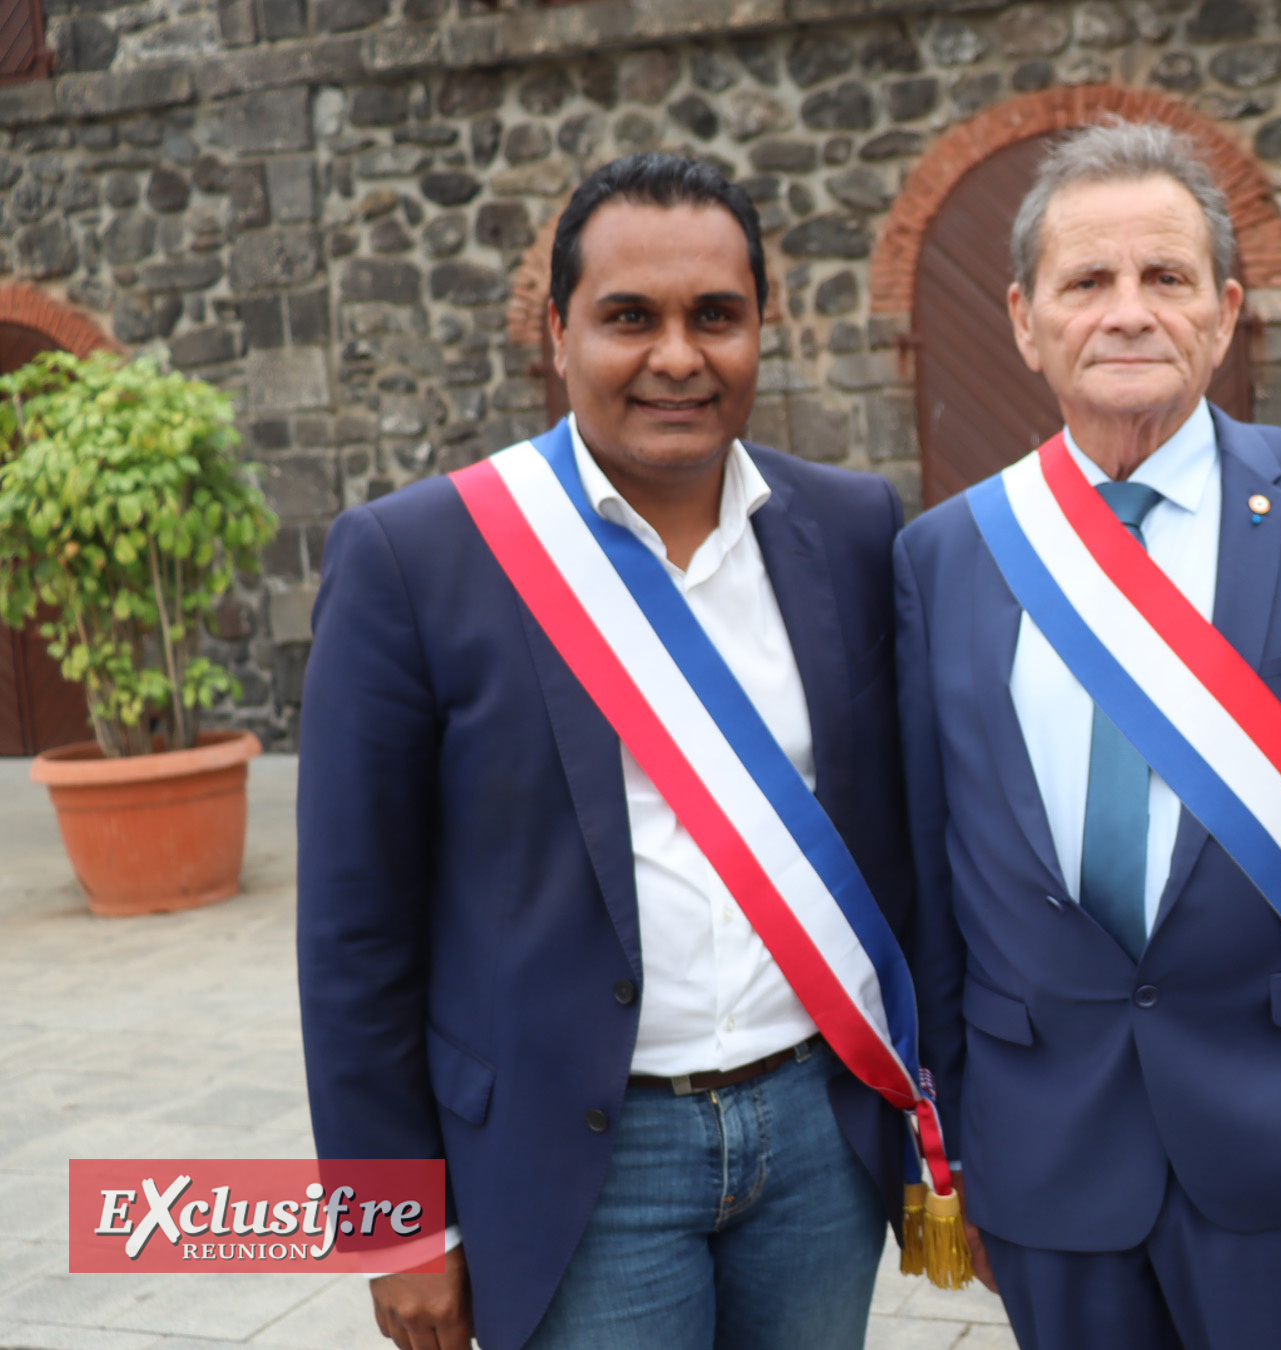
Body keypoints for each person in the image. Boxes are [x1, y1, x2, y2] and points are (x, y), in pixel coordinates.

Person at [298, 154, 921, 1350]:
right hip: (576, 1162)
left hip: (816, 1133)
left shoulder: (852, 528)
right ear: (558, 331)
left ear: (762, 327)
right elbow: (351, 927)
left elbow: (896, 843)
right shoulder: (414, 558)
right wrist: (394, 1224)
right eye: (630, 318)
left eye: (715, 317)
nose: (677, 357)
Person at [894, 121, 1281, 1349]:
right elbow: (935, 882)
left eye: (1165, 277)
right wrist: (955, 1153)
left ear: (1224, 314)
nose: (1128, 312)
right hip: (1048, 1152)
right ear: (1025, 321)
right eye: (1087, 281)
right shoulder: (943, 557)